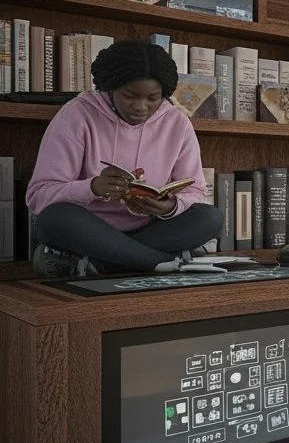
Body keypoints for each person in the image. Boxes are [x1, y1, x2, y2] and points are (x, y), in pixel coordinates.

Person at [26, 40, 223, 277]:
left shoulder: (177, 123)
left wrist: (169, 206)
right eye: (129, 96)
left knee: (209, 217)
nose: (141, 107)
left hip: (150, 230)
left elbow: (195, 191)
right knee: (53, 218)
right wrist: (92, 188)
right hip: (87, 231)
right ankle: (158, 261)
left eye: (153, 98)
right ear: (110, 87)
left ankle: (104, 264)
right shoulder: (76, 114)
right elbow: (39, 196)